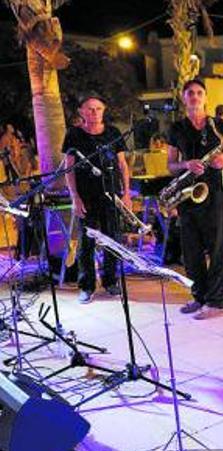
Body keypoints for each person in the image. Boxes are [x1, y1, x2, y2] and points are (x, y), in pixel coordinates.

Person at [167, 79, 223, 320]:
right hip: (188, 195)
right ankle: (198, 296)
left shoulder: (220, 126)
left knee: (217, 249)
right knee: (191, 251)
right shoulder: (176, 128)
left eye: (199, 93)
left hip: (214, 195)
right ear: (184, 97)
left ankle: (216, 301)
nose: (195, 97)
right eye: (191, 93)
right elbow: (170, 165)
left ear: (205, 97)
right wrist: (186, 164)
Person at [62, 94, 132, 303]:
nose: (94, 112)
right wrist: (75, 197)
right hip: (86, 197)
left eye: (98, 108)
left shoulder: (113, 133)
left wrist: (126, 193)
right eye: (89, 109)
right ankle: (87, 285)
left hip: (110, 194)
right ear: (81, 112)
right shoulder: (74, 135)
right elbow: (69, 168)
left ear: (104, 110)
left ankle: (110, 281)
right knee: (87, 243)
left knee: (112, 239)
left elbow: (122, 165)